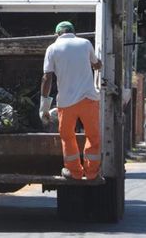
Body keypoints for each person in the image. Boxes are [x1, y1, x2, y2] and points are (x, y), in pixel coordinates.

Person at [39, 21, 102, 180]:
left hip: (67, 103)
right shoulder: (85, 43)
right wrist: (99, 62)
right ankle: (92, 172)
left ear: (57, 34)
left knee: (68, 136)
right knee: (93, 136)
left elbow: (47, 77)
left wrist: (44, 106)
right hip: (89, 99)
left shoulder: (52, 48)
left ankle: (74, 172)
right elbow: (96, 64)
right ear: (74, 32)